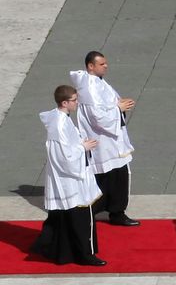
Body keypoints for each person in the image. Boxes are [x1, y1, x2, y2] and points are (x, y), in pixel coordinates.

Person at [30, 85, 105, 266]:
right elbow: (64, 156)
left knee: (65, 218)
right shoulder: (59, 124)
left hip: (69, 177)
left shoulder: (62, 119)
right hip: (71, 179)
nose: (77, 102)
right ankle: (85, 254)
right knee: (82, 217)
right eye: (74, 100)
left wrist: (80, 143)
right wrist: (83, 148)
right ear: (64, 102)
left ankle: (61, 250)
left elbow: (67, 146)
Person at [70, 51, 140, 227]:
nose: (106, 66)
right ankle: (94, 211)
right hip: (103, 140)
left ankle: (116, 212)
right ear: (90, 66)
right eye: (102, 64)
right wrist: (118, 108)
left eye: (106, 63)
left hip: (111, 138)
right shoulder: (90, 87)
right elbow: (97, 116)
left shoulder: (96, 82)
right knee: (106, 177)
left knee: (118, 174)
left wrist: (119, 105)